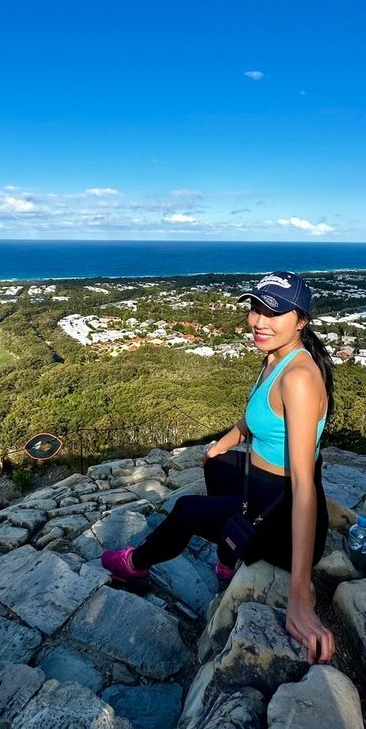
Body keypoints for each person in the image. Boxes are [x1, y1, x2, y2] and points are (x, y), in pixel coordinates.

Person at [101, 270, 335, 663]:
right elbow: (254, 419)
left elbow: (305, 487)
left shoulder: (298, 377)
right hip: (262, 492)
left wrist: (299, 597)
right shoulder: (277, 358)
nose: (260, 321)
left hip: (278, 518)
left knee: (187, 510)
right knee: (217, 464)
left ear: (302, 321)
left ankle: (135, 564)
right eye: (256, 308)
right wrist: (218, 447)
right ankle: (228, 557)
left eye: (274, 313)